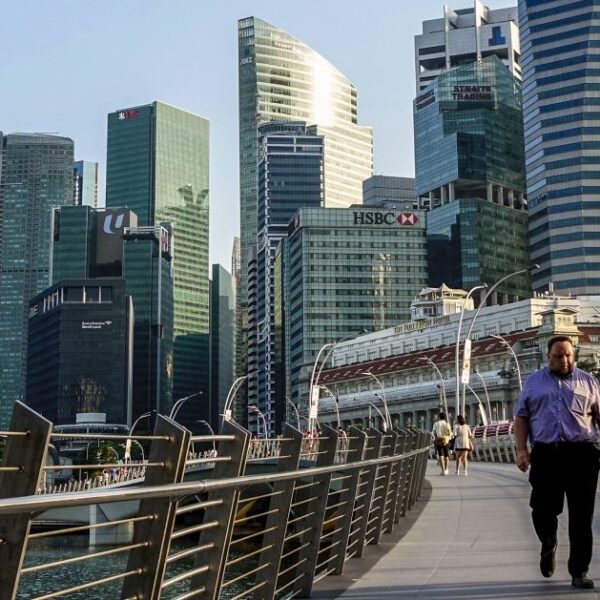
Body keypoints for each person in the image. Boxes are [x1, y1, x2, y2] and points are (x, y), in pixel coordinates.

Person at [514, 335, 600, 589]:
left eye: (568, 355)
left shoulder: (589, 382)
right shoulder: (533, 383)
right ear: (547, 356)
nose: (564, 360)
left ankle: (579, 570)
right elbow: (521, 418)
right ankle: (548, 543)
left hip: (582, 453)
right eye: (558, 356)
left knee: (582, 517)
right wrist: (521, 450)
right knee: (542, 510)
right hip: (546, 454)